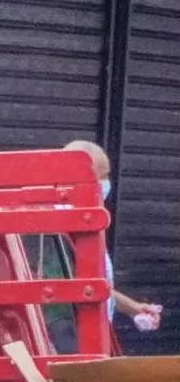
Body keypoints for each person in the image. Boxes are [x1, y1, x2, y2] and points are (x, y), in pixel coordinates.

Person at [65, 139, 161, 332]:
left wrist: (133, 308)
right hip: (72, 338)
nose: (107, 182)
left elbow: (92, 286)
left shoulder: (86, 220)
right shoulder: (64, 225)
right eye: (103, 175)